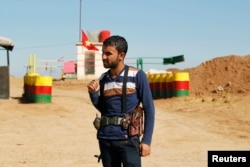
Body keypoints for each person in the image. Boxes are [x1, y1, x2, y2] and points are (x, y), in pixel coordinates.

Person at [87, 35, 155, 167]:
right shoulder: (104, 78)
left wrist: (146, 141)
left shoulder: (137, 75)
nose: (104, 57)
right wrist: (93, 94)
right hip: (106, 139)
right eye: (103, 53)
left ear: (121, 55)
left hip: (128, 140)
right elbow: (105, 109)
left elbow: (149, 109)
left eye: (108, 54)